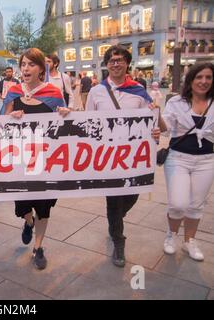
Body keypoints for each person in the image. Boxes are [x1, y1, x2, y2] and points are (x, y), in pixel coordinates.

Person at [85, 45, 160, 267]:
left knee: (133, 194)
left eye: (120, 60)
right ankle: (118, 241)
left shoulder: (138, 90)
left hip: (133, 155)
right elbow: (88, 123)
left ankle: (115, 219)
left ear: (127, 63)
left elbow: (154, 120)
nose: (115, 63)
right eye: (111, 60)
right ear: (106, 64)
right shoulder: (96, 92)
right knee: (114, 199)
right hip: (107, 155)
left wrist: (156, 129)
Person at [3, 48, 70, 270]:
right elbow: (0, 124)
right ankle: (27, 221)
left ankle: (38, 247)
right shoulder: (13, 91)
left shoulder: (53, 93)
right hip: (19, 160)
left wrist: (64, 115)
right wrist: (10, 117)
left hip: (45, 160)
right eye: (23, 64)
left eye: (31, 64)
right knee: (23, 205)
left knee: (43, 207)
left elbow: (62, 126)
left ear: (41, 68)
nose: (25, 69)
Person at [158, 63, 214, 261]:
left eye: (208, 77)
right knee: (178, 204)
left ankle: (189, 240)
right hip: (177, 158)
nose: (204, 81)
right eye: (199, 77)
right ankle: (171, 235)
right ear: (190, 80)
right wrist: (156, 114)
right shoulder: (177, 102)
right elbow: (165, 129)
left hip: (207, 160)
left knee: (196, 205)